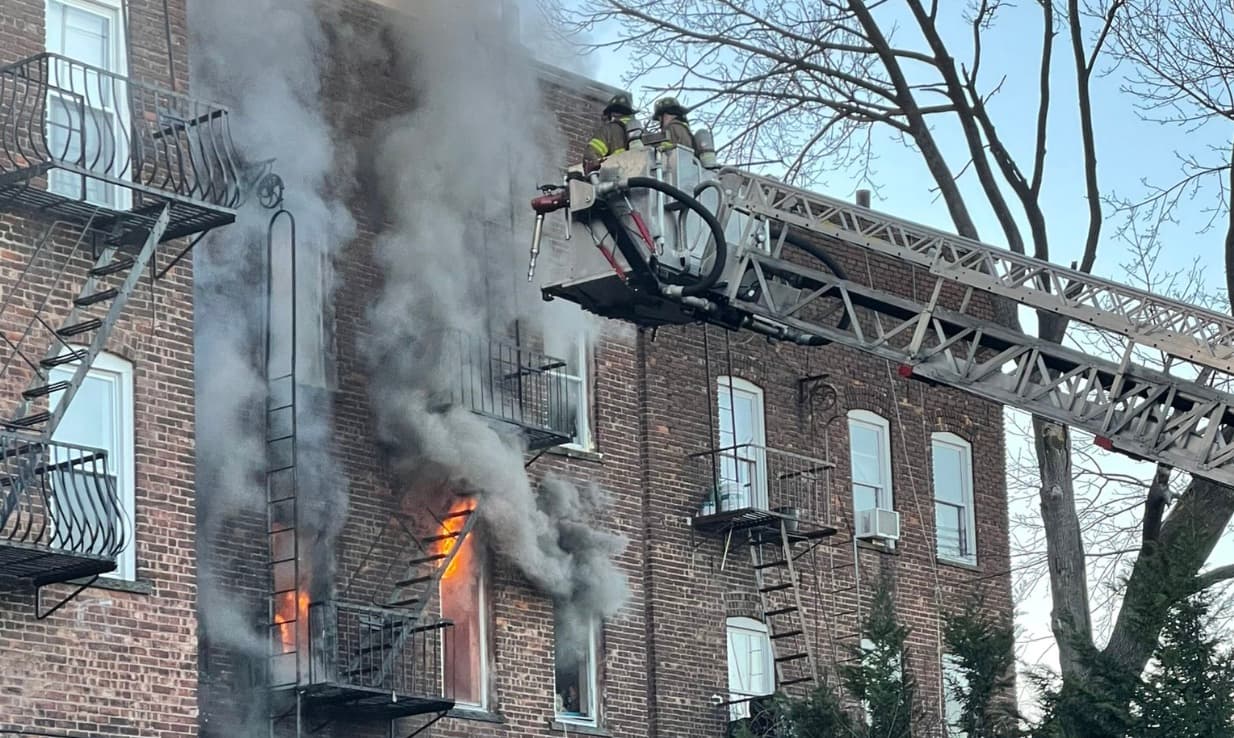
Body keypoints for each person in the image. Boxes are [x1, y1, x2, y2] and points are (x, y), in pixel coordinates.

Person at [585, 93, 639, 164]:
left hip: (618, 172)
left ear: (612, 114)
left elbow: (590, 156)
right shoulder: (641, 131)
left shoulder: (608, 130)